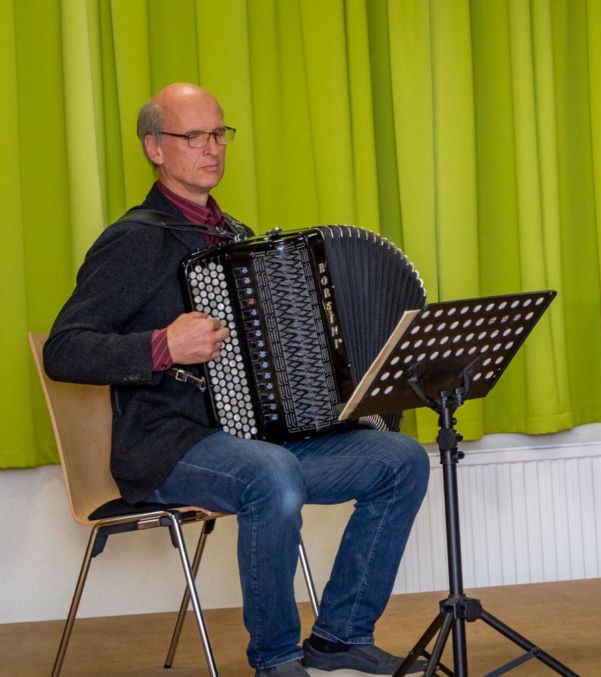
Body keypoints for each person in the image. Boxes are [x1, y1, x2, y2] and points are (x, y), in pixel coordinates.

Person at [43, 82, 430, 677]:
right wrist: (162, 345)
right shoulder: (135, 241)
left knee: (401, 459)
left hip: (255, 438)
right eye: (192, 136)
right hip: (168, 445)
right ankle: (276, 659)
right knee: (270, 475)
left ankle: (340, 636)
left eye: (218, 134)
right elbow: (65, 350)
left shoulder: (235, 238)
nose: (212, 148)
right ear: (154, 147)